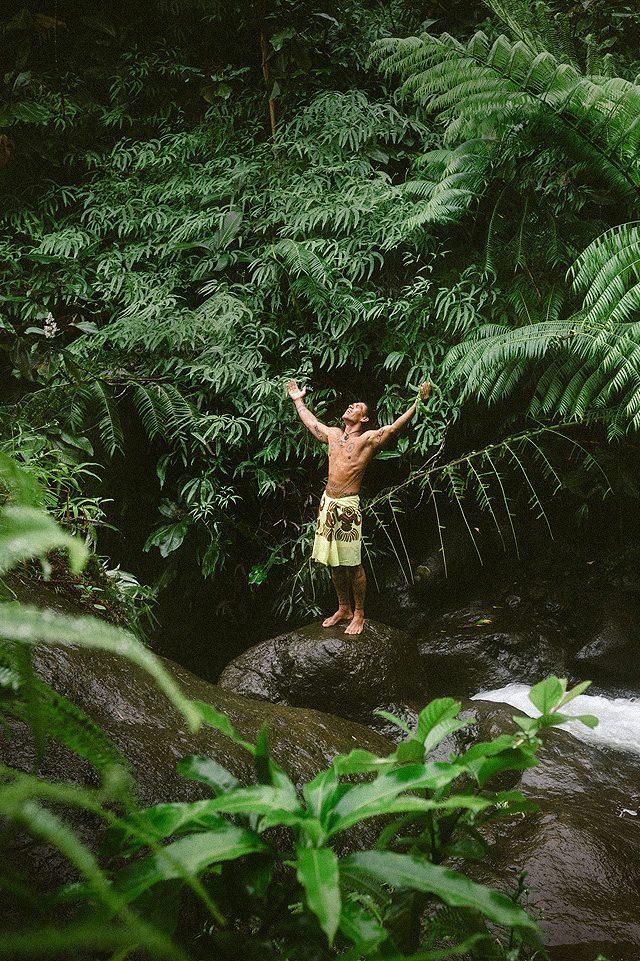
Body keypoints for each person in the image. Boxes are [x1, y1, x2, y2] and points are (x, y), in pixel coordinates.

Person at [286, 379, 431, 635]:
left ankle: (360, 613)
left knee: (352, 562)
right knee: (333, 561)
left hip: (348, 506)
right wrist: (298, 399)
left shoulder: (367, 440)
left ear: (364, 419)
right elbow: (310, 422)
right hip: (327, 503)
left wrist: (419, 401)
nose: (351, 406)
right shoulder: (332, 434)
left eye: (357, 407)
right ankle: (344, 607)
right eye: (351, 405)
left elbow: (394, 427)